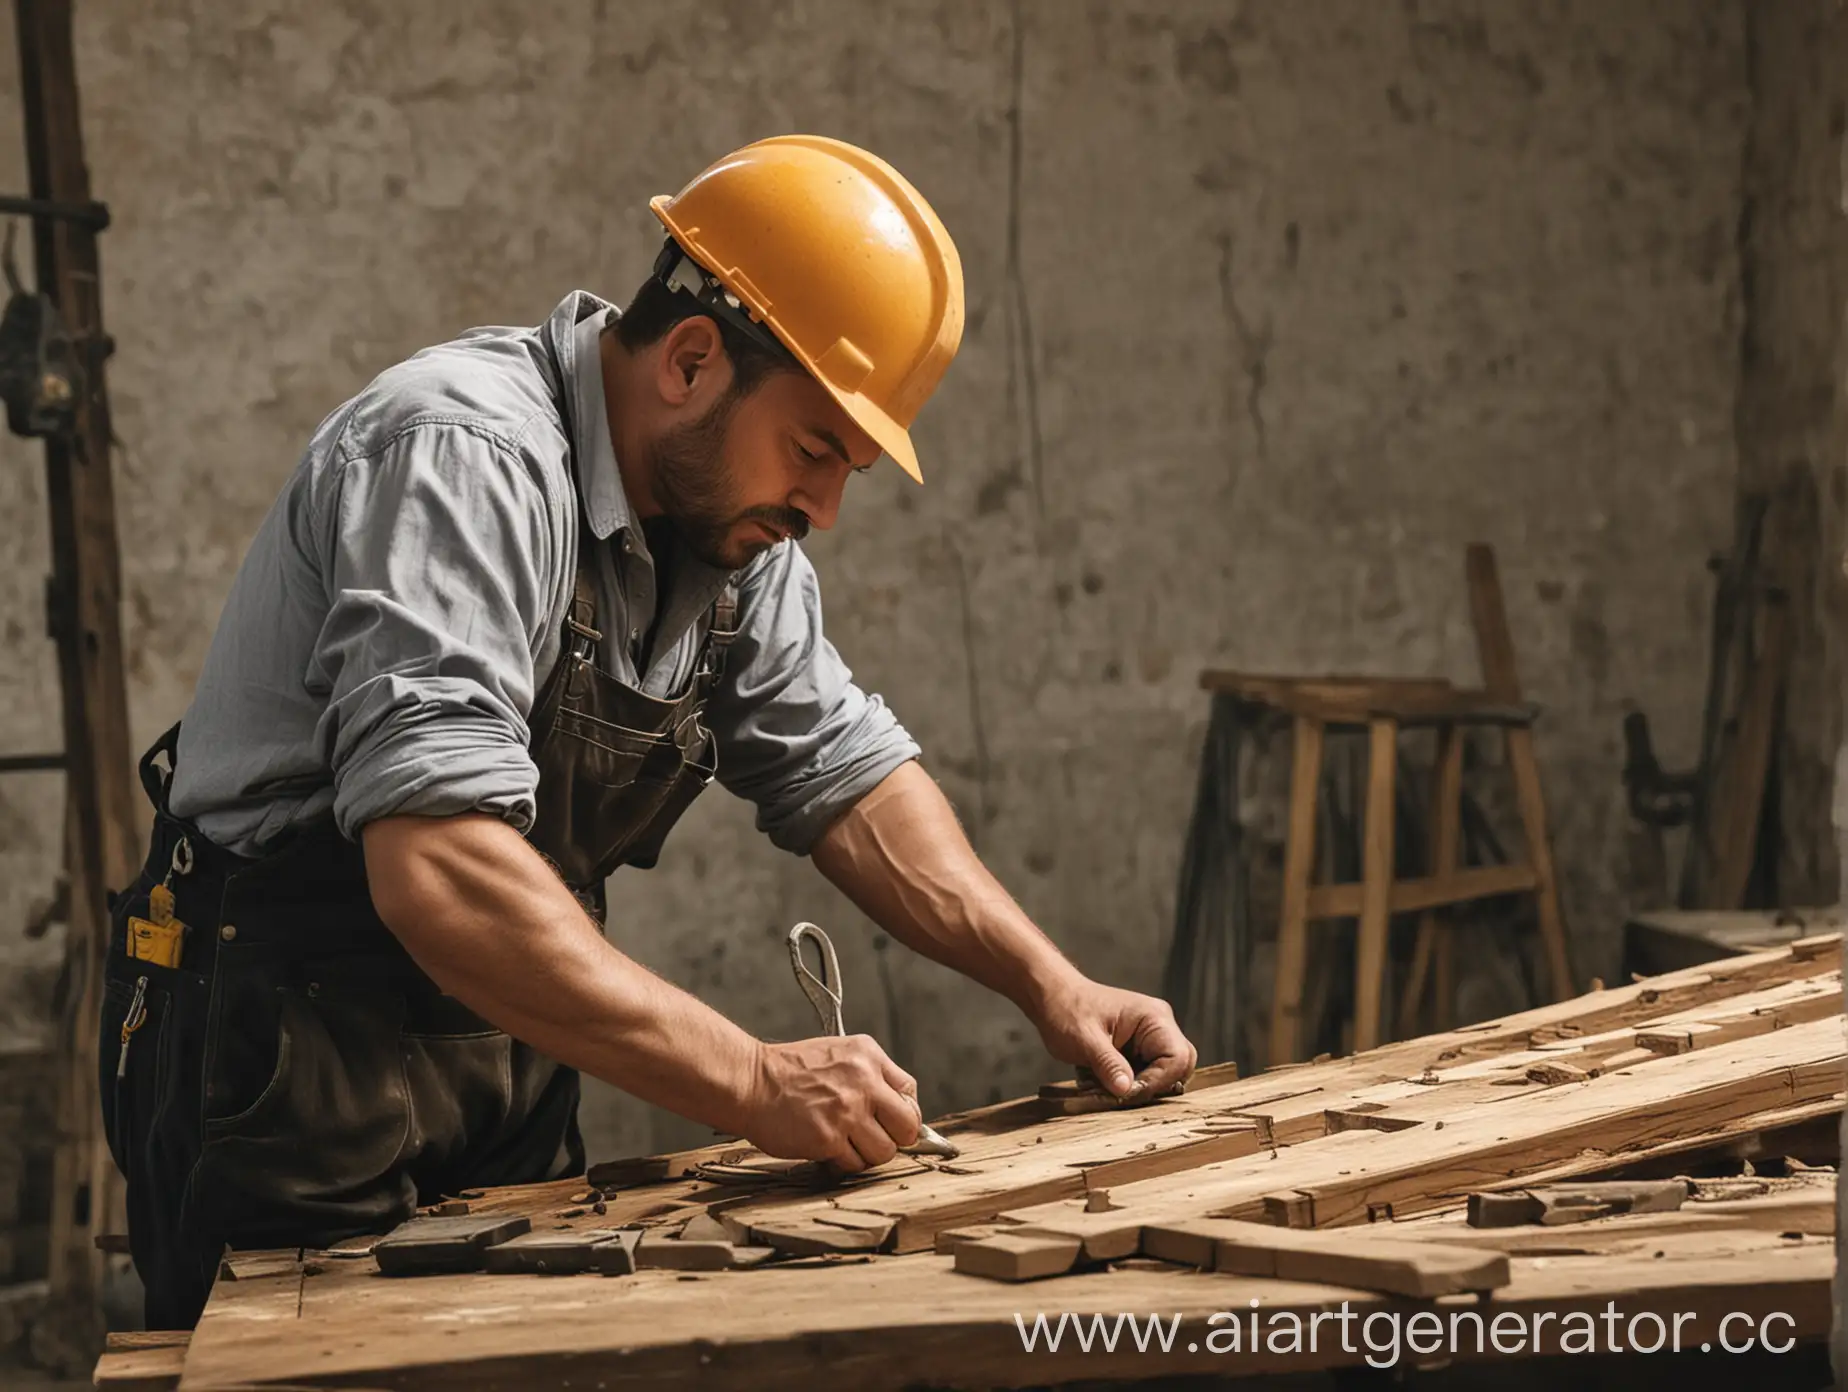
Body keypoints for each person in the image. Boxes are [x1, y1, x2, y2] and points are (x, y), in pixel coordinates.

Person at [100, 135, 1196, 1328]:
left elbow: (848, 777)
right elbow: (441, 872)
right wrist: (756, 1082)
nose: (824, 507)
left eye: (852, 469)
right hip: (281, 1047)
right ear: (689, 360)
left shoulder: (730, 534)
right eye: (816, 449)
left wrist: (1053, 984)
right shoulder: (463, 458)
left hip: (503, 1037)